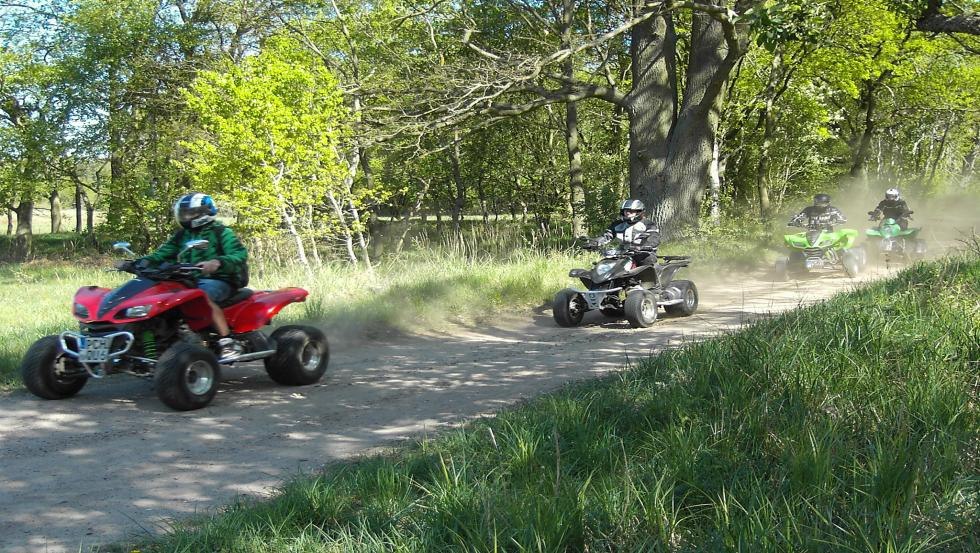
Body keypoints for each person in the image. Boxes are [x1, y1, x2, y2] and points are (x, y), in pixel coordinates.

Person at [119, 193, 248, 359]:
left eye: (190, 213)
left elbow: (240, 254)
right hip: (187, 279)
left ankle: (226, 341)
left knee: (201, 296)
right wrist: (136, 263)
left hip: (219, 279)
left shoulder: (221, 232)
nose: (185, 216)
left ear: (204, 212)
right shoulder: (183, 235)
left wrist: (217, 262)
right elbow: (161, 254)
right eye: (183, 212)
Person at [592, 199, 661, 267]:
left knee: (647, 260)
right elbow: (607, 236)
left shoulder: (648, 224)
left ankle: (648, 278)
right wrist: (594, 242)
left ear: (638, 212)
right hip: (621, 253)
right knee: (604, 265)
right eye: (626, 211)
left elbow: (654, 238)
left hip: (642, 253)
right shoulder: (617, 224)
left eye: (631, 211)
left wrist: (642, 246)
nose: (628, 213)